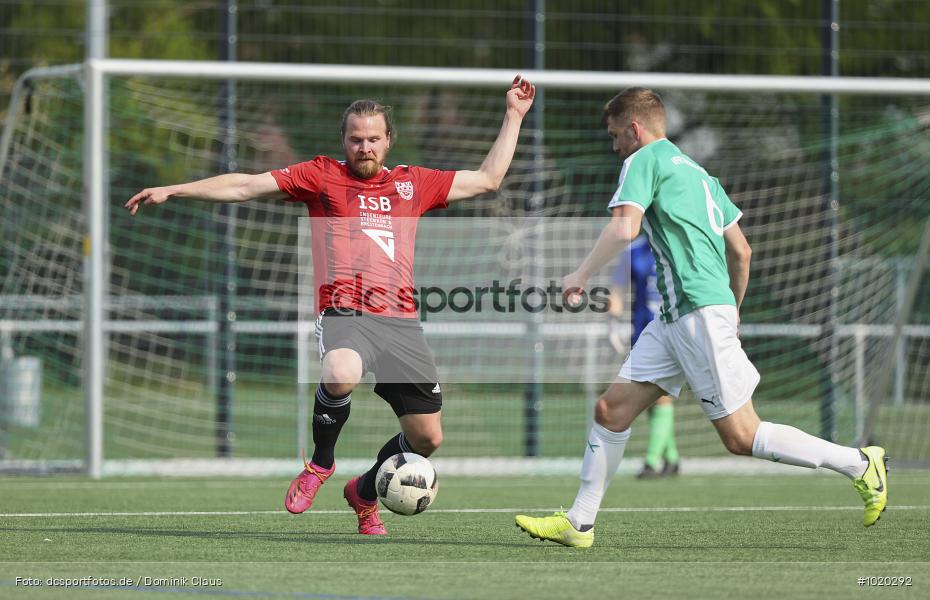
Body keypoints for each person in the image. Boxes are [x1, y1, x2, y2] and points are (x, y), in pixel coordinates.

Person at [126, 75, 536, 536]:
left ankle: (362, 492)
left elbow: (487, 179)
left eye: (374, 139)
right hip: (345, 313)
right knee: (341, 371)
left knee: (427, 439)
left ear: (388, 141)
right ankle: (321, 464)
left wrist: (514, 115)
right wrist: (175, 189)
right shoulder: (321, 175)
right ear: (344, 140)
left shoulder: (412, 185)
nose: (365, 147)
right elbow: (245, 186)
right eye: (356, 139)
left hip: (400, 323)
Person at [514, 87, 887, 548]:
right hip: (679, 317)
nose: (614, 147)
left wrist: (580, 274)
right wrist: (733, 309)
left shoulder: (643, 160)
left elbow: (625, 227)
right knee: (611, 411)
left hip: (694, 312)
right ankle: (580, 522)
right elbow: (742, 251)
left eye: (614, 137)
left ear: (635, 129)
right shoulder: (702, 174)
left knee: (742, 435)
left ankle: (859, 463)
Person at [609, 235, 679, 478]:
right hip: (642, 333)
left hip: (673, 331)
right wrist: (613, 326)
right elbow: (617, 291)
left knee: (661, 396)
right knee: (650, 398)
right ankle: (671, 458)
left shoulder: (676, 243)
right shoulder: (633, 250)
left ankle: (652, 462)